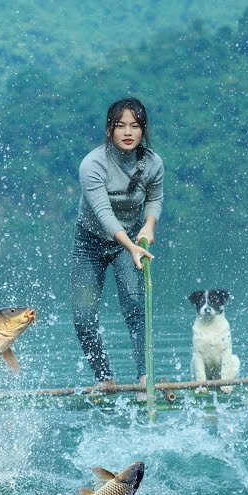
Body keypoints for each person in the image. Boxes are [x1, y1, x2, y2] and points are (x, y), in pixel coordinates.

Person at [71, 97, 164, 391]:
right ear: (109, 129)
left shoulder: (152, 163)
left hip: (131, 238)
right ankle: (104, 379)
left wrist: (148, 227)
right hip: (90, 243)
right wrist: (131, 246)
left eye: (135, 126)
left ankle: (145, 375)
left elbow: (154, 199)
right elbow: (104, 214)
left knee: (136, 307)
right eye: (120, 125)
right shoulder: (92, 164)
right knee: (83, 316)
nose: (128, 132)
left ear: (143, 130)